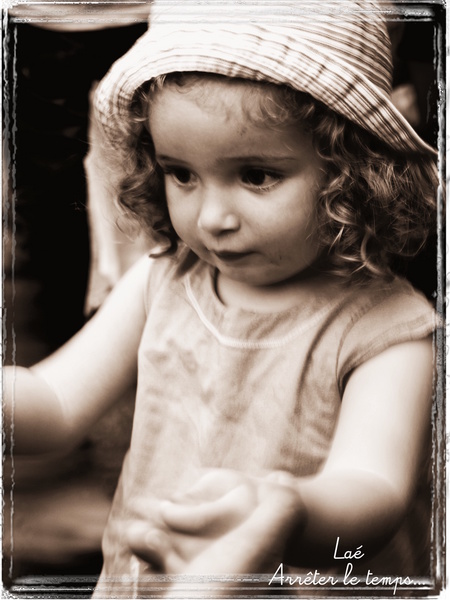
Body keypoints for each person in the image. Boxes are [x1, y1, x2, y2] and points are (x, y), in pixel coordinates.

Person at [3, 0, 443, 597]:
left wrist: (285, 509)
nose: (212, 218)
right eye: (181, 173)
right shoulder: (165, 280)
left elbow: (374, 494)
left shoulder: (388, 333)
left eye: (256, 175)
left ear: (353, 174)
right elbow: (56, 404)